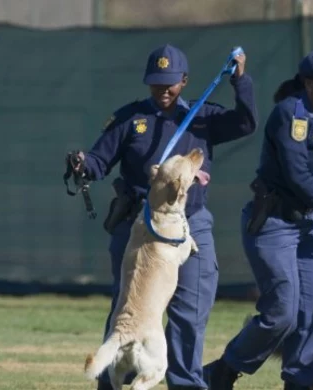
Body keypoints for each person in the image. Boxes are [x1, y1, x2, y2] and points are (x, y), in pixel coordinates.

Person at [66, 43, 258, 390]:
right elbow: (98, 161)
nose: (163, 89)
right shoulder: (130, 119)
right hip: (138, 226)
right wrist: (82, 164)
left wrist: (240, 80)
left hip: (190, 222)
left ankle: (184, 382)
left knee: (192, 309)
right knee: (128, 307)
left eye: (170, 82)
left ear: (184, 80)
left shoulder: (202, 116)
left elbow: (246, 123)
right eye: (156, 81)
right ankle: (113, 382)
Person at [204, 49, 313, 390]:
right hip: (275, 224)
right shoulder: (291, 114)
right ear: (309, 83)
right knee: (283, 313)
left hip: (307, 227)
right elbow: (297, 175)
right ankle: (225, 370)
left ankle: (301, 383)